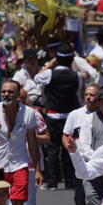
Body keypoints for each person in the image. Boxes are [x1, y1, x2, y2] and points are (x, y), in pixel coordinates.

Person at [35, 46, 83, 190]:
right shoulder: (77, 76)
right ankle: (69, 181)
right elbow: (78, 90)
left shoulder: (49, 73)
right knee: (69, 147)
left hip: (53, 115)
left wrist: (49, 64)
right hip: (70, 116)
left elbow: (37, 78)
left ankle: (54, 181)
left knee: (53, 148)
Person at [0, 80, 43, 205]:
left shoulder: (28, 112)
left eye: (10, 92)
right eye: (4, 92)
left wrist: (38, 170)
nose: (6, 95)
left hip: (19, 165)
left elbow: (33, 143)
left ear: (18, 94)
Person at [63, 83, 100, 205]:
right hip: (80, 161)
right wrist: (72, 151)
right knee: (80, 197)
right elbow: (65, 135)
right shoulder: (75, 115)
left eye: (92, 95)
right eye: (86, 95)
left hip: (98, 162)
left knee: (97, 195)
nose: (88, 98)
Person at [18, 90, 49, 205]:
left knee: (29, 197)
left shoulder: (34, 114)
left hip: (31, 162)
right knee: (12, 196)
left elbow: (46, 137)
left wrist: (31, 136)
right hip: (10, 162)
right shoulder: (2, 114)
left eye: (21, 97)